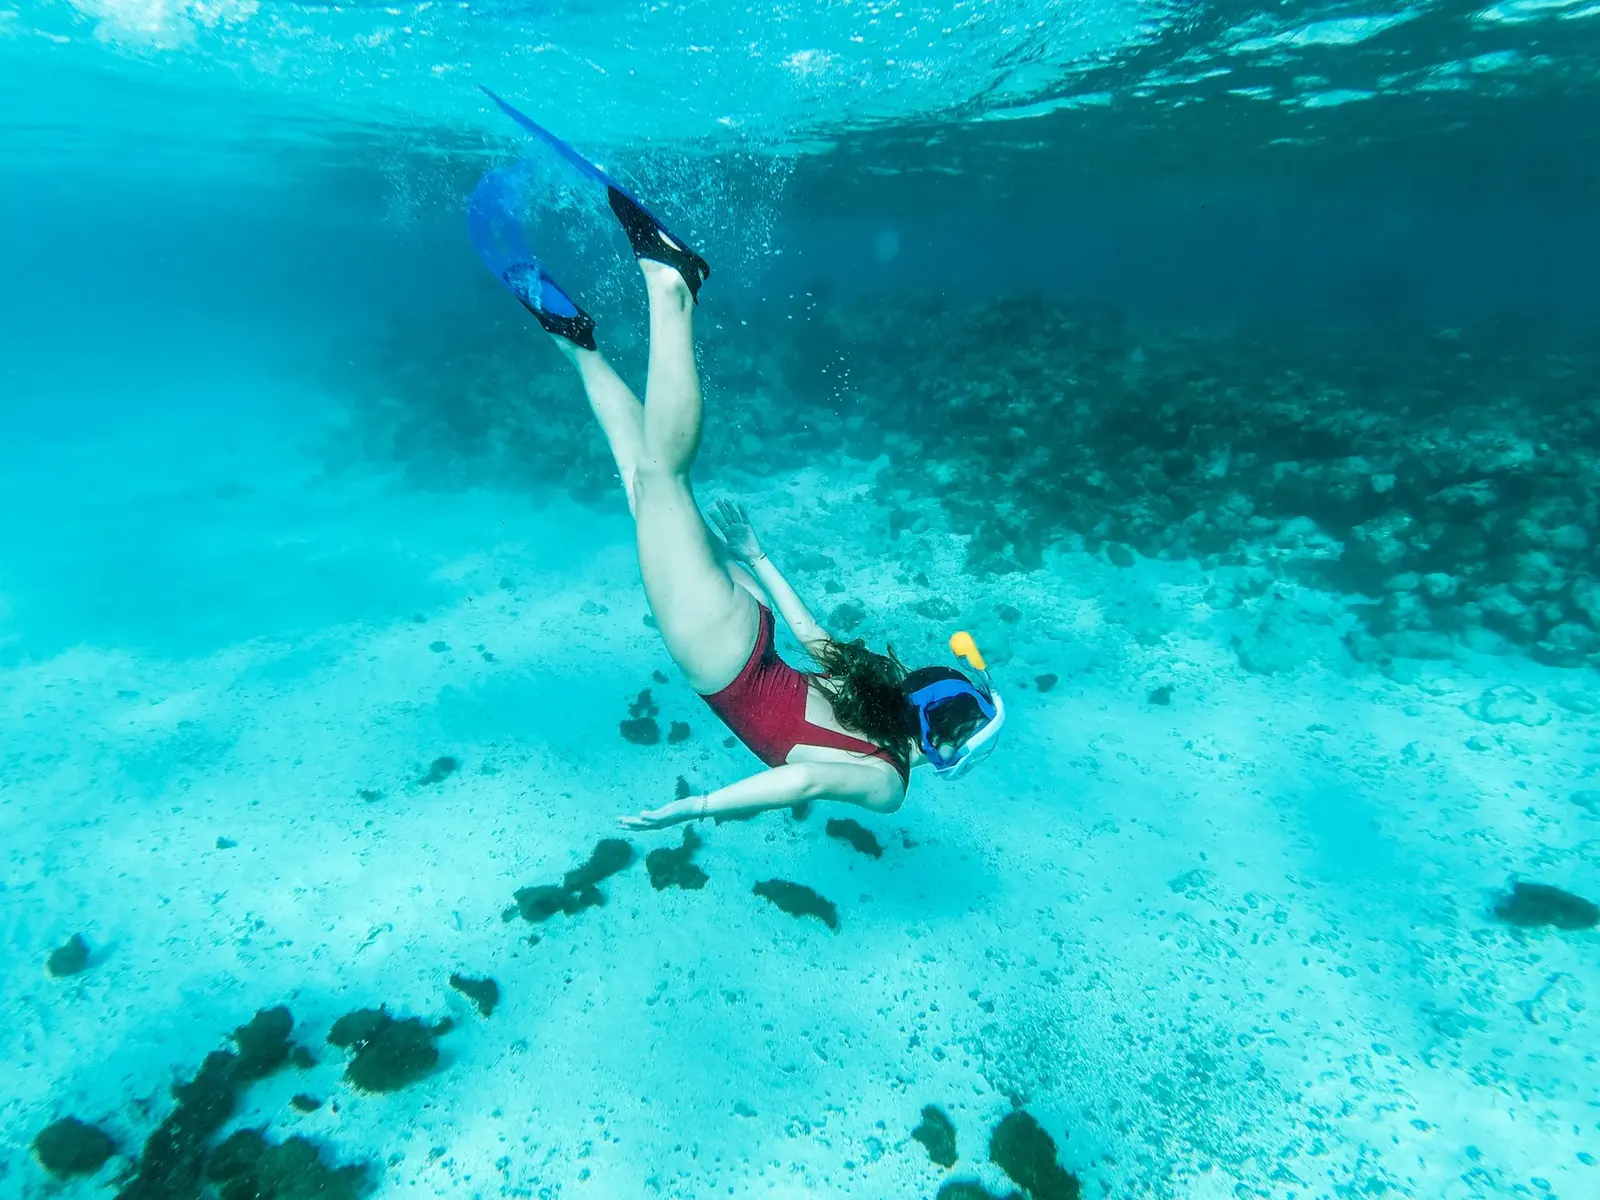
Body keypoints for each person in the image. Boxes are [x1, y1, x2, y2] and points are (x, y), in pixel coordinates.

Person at [469, 95, 1006, 830]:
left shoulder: (878, 694)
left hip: (745, 627)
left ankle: (574, 339)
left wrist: (755, 555)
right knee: (661, 477)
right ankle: (672, 284)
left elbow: (815, 637)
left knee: (643, 484)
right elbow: (798, 784)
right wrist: (693, 808)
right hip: (723, 654)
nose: (962, 752)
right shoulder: (887, 783)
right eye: (969, 740)